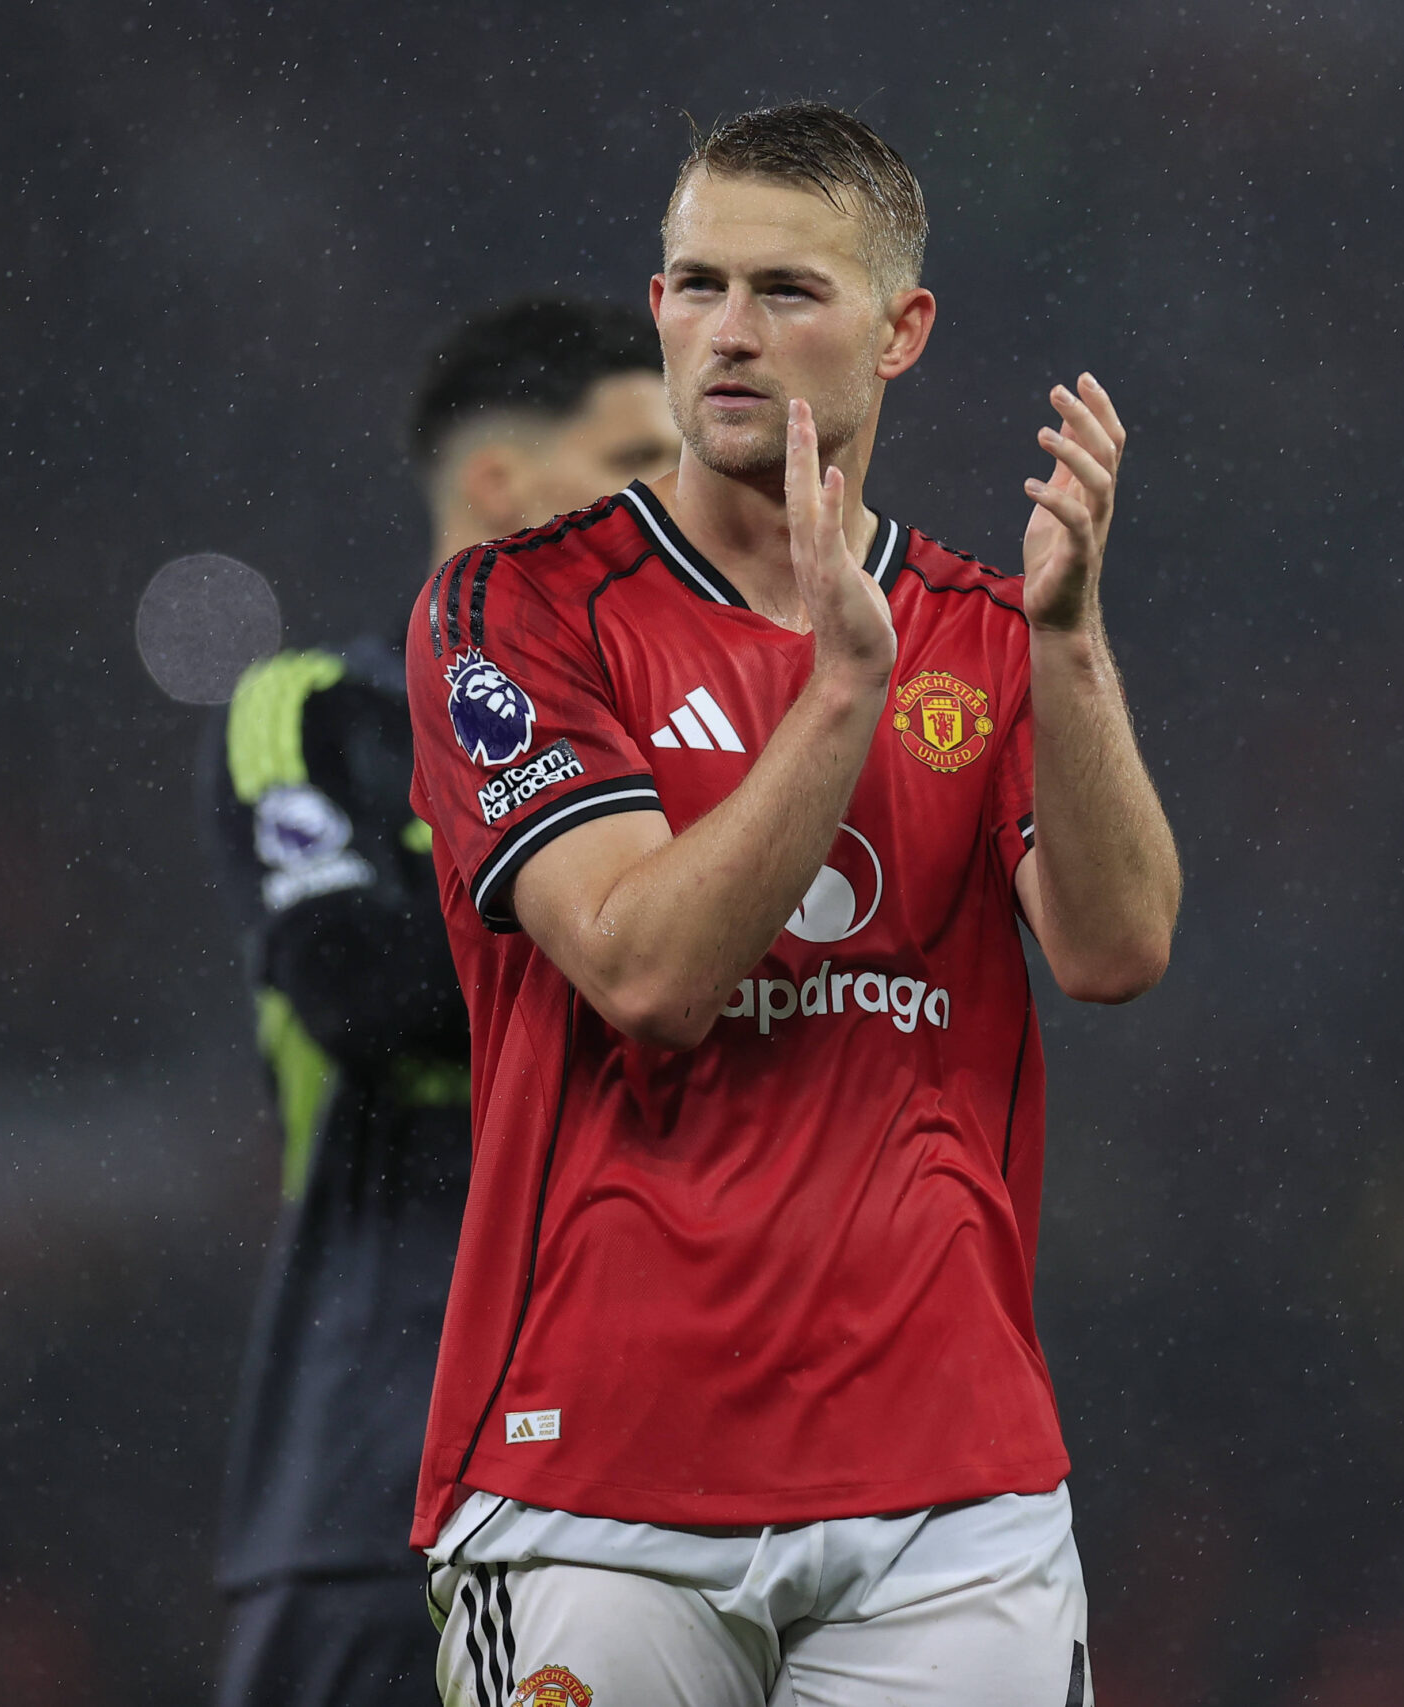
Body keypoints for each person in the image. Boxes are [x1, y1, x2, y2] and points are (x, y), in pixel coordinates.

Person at [404, 102, 1179, 1707]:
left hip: (951, 1492)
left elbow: (1116, 948)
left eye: (786, 291)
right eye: (698, 285)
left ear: (903, 330)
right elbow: (645, 974)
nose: (730, 332)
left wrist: (1071, 639)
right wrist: (840, 693)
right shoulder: (517, 608)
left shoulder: (987, 629)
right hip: (596, 1483)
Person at [204, 296, 677, 1706]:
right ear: (500, 484)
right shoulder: (321, 713)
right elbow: (356, 988)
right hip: (380, 1447)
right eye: (636, 462)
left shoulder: (697, 743)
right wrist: (629, 932)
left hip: (658, 1474)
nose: (678, 502)